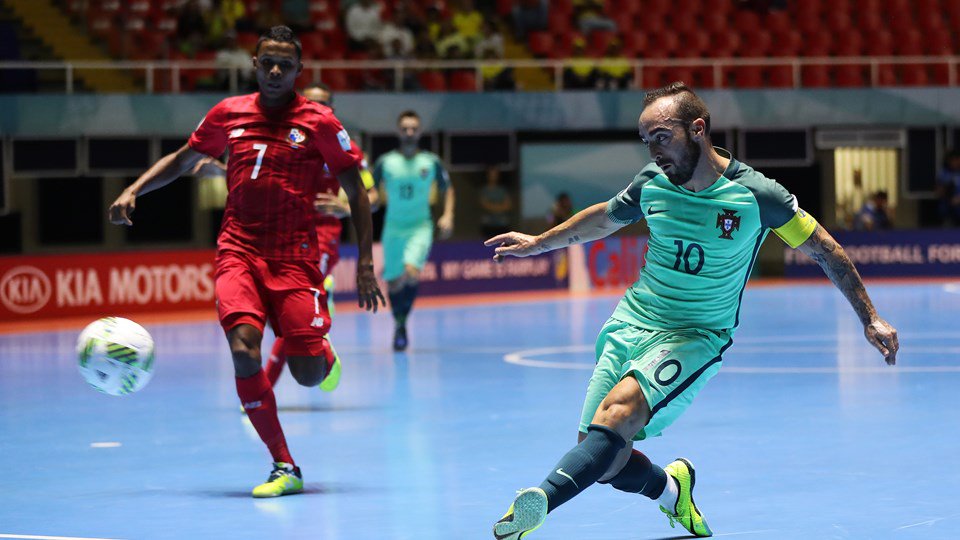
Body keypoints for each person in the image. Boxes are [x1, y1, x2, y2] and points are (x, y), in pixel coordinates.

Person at [486, 82, 898, 539]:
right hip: (633, 321)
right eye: (646, 141)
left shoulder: (757, 196)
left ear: (697, 129)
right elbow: (605, 216)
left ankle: (537, 506)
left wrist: (870, 316)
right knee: (600, 457)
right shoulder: (651, 182)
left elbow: (825, 250)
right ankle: (671, 490)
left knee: (618, 415)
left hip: (696, 334)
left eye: (661, 136)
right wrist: (540, 243)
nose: (654, 151)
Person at [108, 26, 385, 499]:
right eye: (268, 62)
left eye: (286, 64)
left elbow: (356, 191)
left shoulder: (319, 122)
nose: (276, 71)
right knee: (242, 350)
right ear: (254, 64)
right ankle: (284, 464)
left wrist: (363, 266)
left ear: (299, 71)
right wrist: (135, 189)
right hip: (238, 249)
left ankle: (319, 348)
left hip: (295, 258)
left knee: (308, 373)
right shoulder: (227, 113)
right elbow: (182, 159)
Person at [374, 110, 455, 351]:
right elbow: (371, 189)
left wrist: (448, 214)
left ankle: (401, 323)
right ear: (399, 131)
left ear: (419, 132)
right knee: (395, 282)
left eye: (413, 128)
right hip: (393, 228)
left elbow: (447, 189)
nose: (409, 132)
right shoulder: (385, 162)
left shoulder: (430, 162)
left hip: (420, 226)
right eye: (405, 128)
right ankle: (399, 323)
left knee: (411, 271)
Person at [479, 165, 513, 238]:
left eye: (495, 174)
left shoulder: (502, 189)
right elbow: (485, 205)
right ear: (487, 175)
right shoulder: (484, 190)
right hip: (488, 225)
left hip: (502, 225)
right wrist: (499, 208)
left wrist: (494, 207)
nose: (493, 176)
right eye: (491, 174)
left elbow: (508, 205)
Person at [936, 150, 960, 226]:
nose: (955, 162)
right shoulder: (943, 173)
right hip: (948, 202)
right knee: (943, 208)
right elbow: (939, 191)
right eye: (953, 160)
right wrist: (949, 198)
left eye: (957, 160)